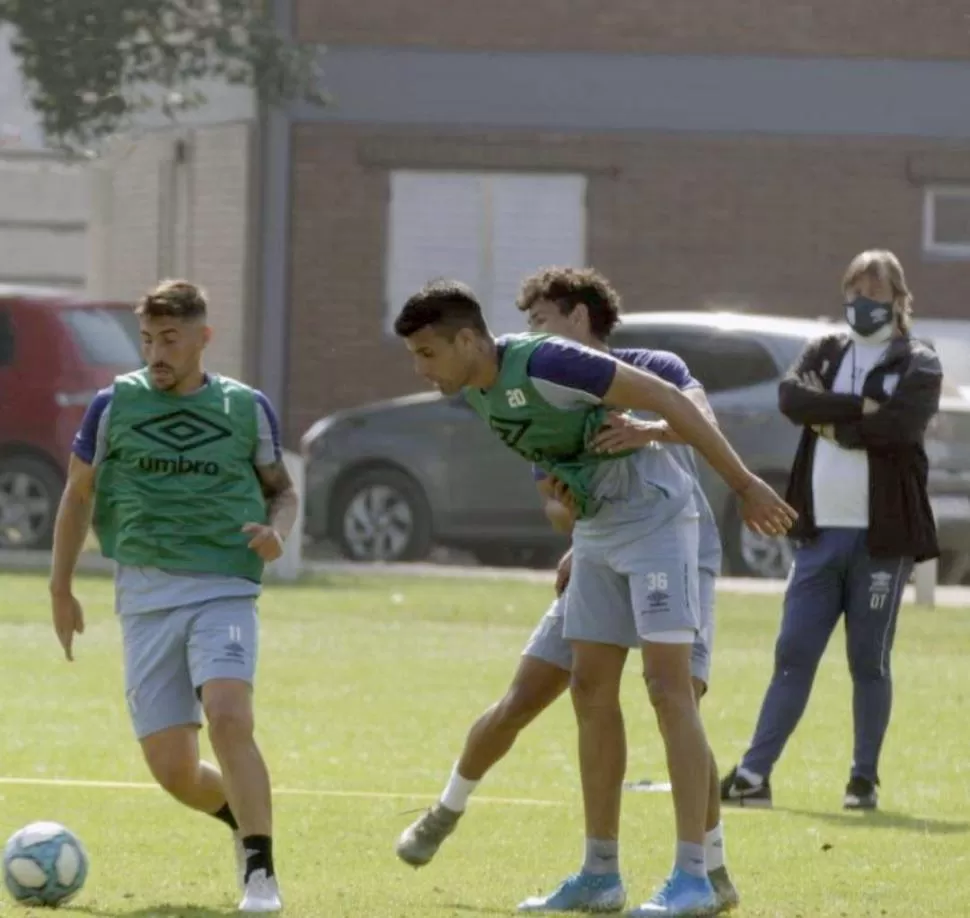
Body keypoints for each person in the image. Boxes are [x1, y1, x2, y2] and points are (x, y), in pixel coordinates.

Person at [393, 278, 796, 917]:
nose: (419, 369)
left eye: (426, 354)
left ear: (467, 340)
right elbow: (559, 483)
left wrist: (744, 485)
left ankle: (695, 876)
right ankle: (600, 874)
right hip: (599, 535)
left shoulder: (551, 359)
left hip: (661, 526)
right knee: (587, 690)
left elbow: (670, 398)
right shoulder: (481, 395)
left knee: (670, 692)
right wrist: (567, 494)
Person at [49, 280, 296, 913]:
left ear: (202, 339)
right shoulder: (113, 406)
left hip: (224, 587)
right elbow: (78, 494)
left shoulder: (246, 408)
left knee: (228, 715)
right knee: (174, 772)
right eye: (149, 341)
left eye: (171, 340)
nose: (157, 353)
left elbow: (282, 491)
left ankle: (261, 873)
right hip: (145, 595)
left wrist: (278, 532)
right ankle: (242, 822)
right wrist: (61, 586)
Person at [720, 250, 941, 811]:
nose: (862, 302)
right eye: (854, 290)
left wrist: (836, 425)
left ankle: (863, 780)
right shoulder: (825, 349)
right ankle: (753, 775)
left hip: (881, 541)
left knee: (869, 662)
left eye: (874, 291)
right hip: (818, 538)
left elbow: (901, 425)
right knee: (793, 654)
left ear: (898, 298)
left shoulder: (919, 358)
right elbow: (793, 398)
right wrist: (858, 408)